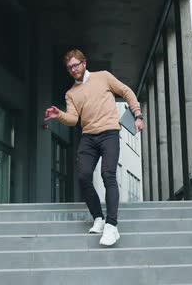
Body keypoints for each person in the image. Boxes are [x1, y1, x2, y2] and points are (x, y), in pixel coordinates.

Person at [44, 49, 144, 246]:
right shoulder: (71, 93)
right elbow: (73, 119)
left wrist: (138, 115)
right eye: (69, 67)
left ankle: (112, 226)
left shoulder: (103, 77)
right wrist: (59, 115)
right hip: (88, 137)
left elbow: (126, 91)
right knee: (83, 176)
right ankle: (98, 218)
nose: (73, 69)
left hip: (109, 133)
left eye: (76, 65)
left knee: (108, 175)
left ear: (84, 62)